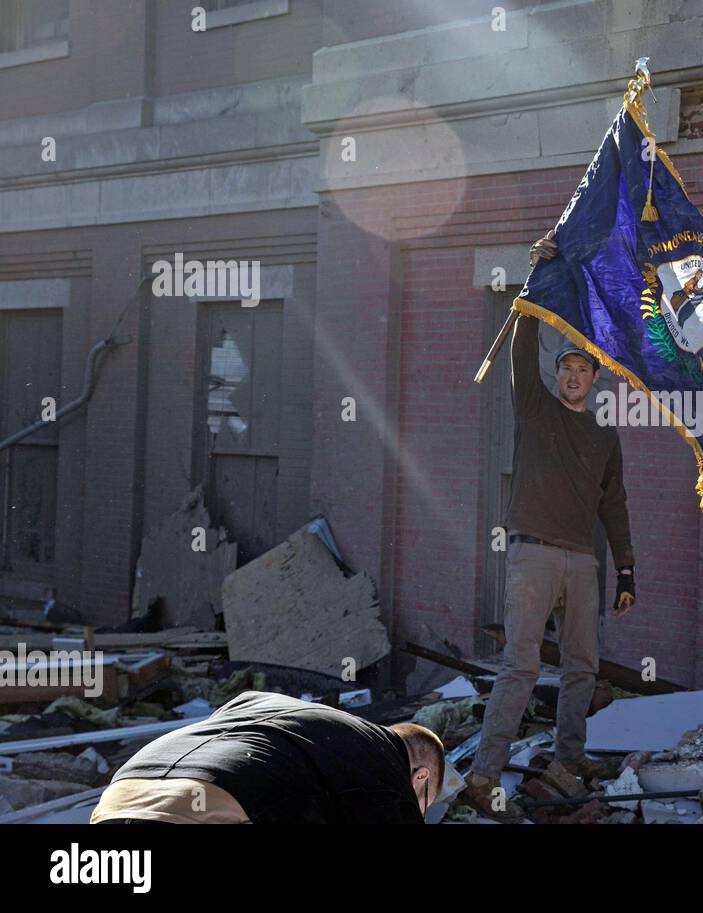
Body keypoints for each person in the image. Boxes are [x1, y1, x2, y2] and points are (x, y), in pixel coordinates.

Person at [460, 230, 636, 821]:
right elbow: (521, 346)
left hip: (583, 561)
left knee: (582, 664)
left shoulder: (602, 436)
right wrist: (535, 280)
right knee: (522, 665)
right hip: (533, 556)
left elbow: (614, 506)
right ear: (557, 374)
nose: (573, 376)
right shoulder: (534, 410)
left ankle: (569, 759)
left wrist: (627, 569)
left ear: (593, 379)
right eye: (565, 368)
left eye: (582, 369)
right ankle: (484, 775)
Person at [90, 691, 443, 824]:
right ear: (419, 777)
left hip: (119, 797)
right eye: (423, 805)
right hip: (211, 806)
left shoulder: (260, 702)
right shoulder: (385, 765)